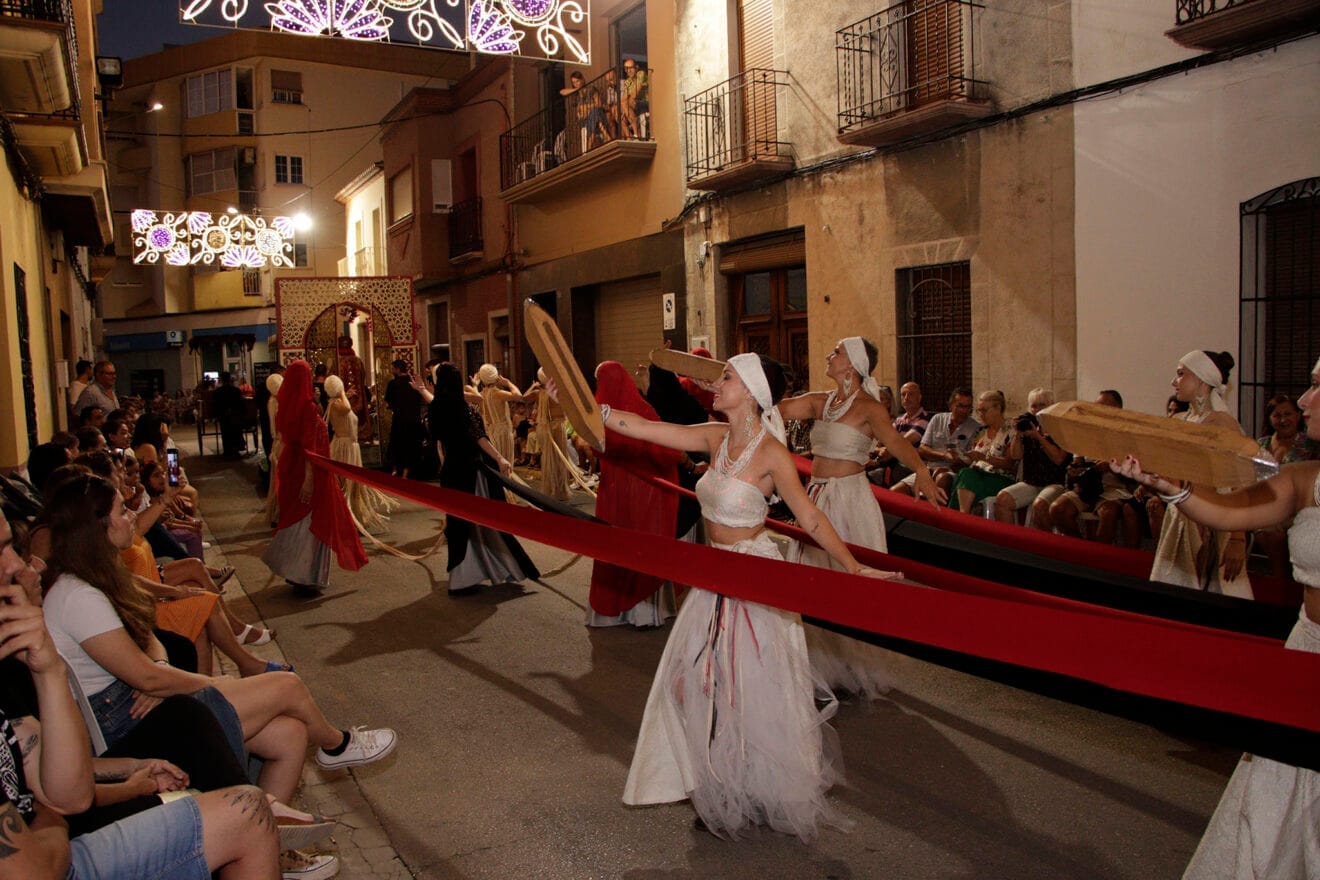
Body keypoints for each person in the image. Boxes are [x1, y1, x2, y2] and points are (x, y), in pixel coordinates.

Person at [553, 353, 896, 841]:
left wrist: (855, 566)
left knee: (741, 688)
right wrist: (584, 407)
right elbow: (646, 429)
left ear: (752, 393)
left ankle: (744, 788)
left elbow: (811, 519)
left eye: (727, 378)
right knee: (690, 680)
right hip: (713, 579)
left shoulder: (772, 453)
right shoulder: (715, 438)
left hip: (754, 582)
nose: (716, 385)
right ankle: (720, 781)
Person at [39, 472, 398, 806]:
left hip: (143, 705)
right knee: (288, 686)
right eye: (122, 510)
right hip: (126, 726)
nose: (133, 515)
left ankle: (271, 843)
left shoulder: (99, 575)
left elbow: (147, 637)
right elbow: (146, 677)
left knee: (290, 734)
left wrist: (160, 667)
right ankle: (336, 745)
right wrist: (207, 682)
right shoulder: (78, 595)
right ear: (97, 525)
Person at [1109, 355, 1319, 880]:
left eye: (1317, 387)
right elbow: (1230, 509)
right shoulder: (1307, 478)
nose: (1306, 400)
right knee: (1279, 788)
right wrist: (1168, 484)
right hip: (1308, 649)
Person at [0, 529, 284, 880]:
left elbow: (67, 796)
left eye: (15, 549)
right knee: (243, 792)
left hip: (62, 830)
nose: (23, 565)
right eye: (4, 550)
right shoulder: (75, 594)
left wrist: (50, 670)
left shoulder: (14, 665)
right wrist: (56, 812)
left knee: (272, 731)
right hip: (63, 849)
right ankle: (325, 753)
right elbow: (37, 861)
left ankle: (285, 820)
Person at [778, 337, 942, 697]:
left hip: (850, 501)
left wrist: (922, 472)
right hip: (817, 496)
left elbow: (898, 444)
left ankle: (854, 666)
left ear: (851, 363)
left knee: (847, 584)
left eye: (835, 351)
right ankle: (820, 665)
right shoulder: (822, 401)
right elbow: (783, 409)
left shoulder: (870, 408)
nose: (828, 354)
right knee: (815, 579)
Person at [586, 362, 682, 627]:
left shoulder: (598, 412)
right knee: (643, 544)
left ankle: (612, 610)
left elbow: (594, 445)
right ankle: (645, 612)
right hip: (646, 489)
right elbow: (664, 450)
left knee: (615, 544)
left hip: (614, 489)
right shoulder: (641, 409)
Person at [1150, 351, 1251, 598]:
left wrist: (1237, 539)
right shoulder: (1184, 418)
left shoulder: (1220, 423)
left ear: (1203, 380)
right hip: (1180, 514)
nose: (1175, 382)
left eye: (1181, 374)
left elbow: (1238, 479)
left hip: (1209, 519)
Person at [430, 364, 539, 594]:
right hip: (471, 469)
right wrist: (500, 458)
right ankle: (489, 569)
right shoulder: (463, 407)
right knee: (485, 520)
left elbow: (438, 434)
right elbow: (477, 437)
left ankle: (463, 577)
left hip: (451, 470)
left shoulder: (437, 407)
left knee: (460, 524)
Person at [264, 360, 367, 597]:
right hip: (308, 470)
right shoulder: (308, 408)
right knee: (311, 518)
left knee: (296, 516)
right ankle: (305, 573)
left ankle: (293, 569)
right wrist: (309, 479)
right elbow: (310, 446)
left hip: (291, 466)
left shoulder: (285, 404)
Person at [1255, 394, 1320, 578]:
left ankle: (1283, 578)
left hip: (1299, 506)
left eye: (1288, 414)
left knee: (1275, 531)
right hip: (1266, 504)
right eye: (1277, 415)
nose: (1283, 420)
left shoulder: (1310, 443)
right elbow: (1254, 479)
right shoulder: (1261, 444)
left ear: (1298, 416)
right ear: (1269, 418)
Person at [325, 375, 397, 534]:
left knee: (353, 485)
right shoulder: (337, 404)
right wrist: (343, 393)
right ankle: (350, 518)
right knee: (349, 485)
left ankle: (353, 516)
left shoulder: (336, 402)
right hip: (346, 448)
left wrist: (344, 394)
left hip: (348, 446)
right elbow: (347, 409)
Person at [993, 388, 1071, 524]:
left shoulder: (1061, 427)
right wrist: (1017, 433)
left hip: (1056, 482)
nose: (1038, 409)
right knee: (1002, 499)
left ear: (1051, 406)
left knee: (1040, 505)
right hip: (1032, 482)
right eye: (1034, 406)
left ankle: (1042, 543)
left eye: (1042, 405)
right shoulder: (1028, 426)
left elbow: (1058, 459)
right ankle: (1010, 543)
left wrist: (1038, 437)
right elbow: (1016, 456)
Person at [893, 387, 981, 498]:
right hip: (929, 469)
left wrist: (956, 460)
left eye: (968, 407)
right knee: (896, 491)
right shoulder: (938, 419)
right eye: (960, 406)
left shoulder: (976, 428)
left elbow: (971, 460)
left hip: (953, 473)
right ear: (950, 405)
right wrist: (943, 455)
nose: (964, 411)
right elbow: (923, 449)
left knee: (942, 479)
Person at [949, 390, 1018, 514]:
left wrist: (984, 458)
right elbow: (973, 457)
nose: (981, 414)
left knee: (967, 476)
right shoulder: (981, 431)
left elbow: (1010, 463)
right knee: (964, 474)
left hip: (1001, 478)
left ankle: (961, 517)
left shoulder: (1012, 430)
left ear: (998, 408)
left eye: (984, 410)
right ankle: (961, 516)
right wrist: (961, 456)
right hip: (977, 474)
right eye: (978, 411)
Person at [529, 368, 570, 501]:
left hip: (544, 427)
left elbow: (522, 397)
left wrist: (533, 386)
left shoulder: (537, 393)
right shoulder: (559, 392)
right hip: (556, 426)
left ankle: (552, 489)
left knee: (548, 458)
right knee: (558, 459)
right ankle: (558, 490)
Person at [472, 363, 522, 466]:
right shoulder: (497, 393)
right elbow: (518, 395)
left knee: (494, 464)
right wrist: (508, 383)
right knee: (505, 464)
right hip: (502, 432)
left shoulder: (480, 395)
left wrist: (475, 385)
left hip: (489, 433)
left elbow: (474, 396)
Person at [384, 359, 424, 479]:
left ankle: (395, 470)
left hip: (399, 420)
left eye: (393, 368)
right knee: (411, 446)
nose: (391, 371)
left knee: (397, 445)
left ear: (397, 369)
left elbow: (387, 403)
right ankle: (407, 472)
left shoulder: (393, 384)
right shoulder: (413, 382)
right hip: (414, 420)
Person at [334, 337, 372, 443]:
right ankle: (362, 435)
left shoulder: (338, 361)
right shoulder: (358, 361)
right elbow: (363, 376)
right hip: (359, 394)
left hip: (343, 395)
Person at [212, 372, 246, 458]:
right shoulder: (236, 390)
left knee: (225, 433)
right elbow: (240, 403)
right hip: (235, 415)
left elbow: (215, 405)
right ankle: (236, 450)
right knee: (236, 432)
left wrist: (216, 415)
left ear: (221, 380)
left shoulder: (217, 392)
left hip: (223, 415)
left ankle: (227, 451)